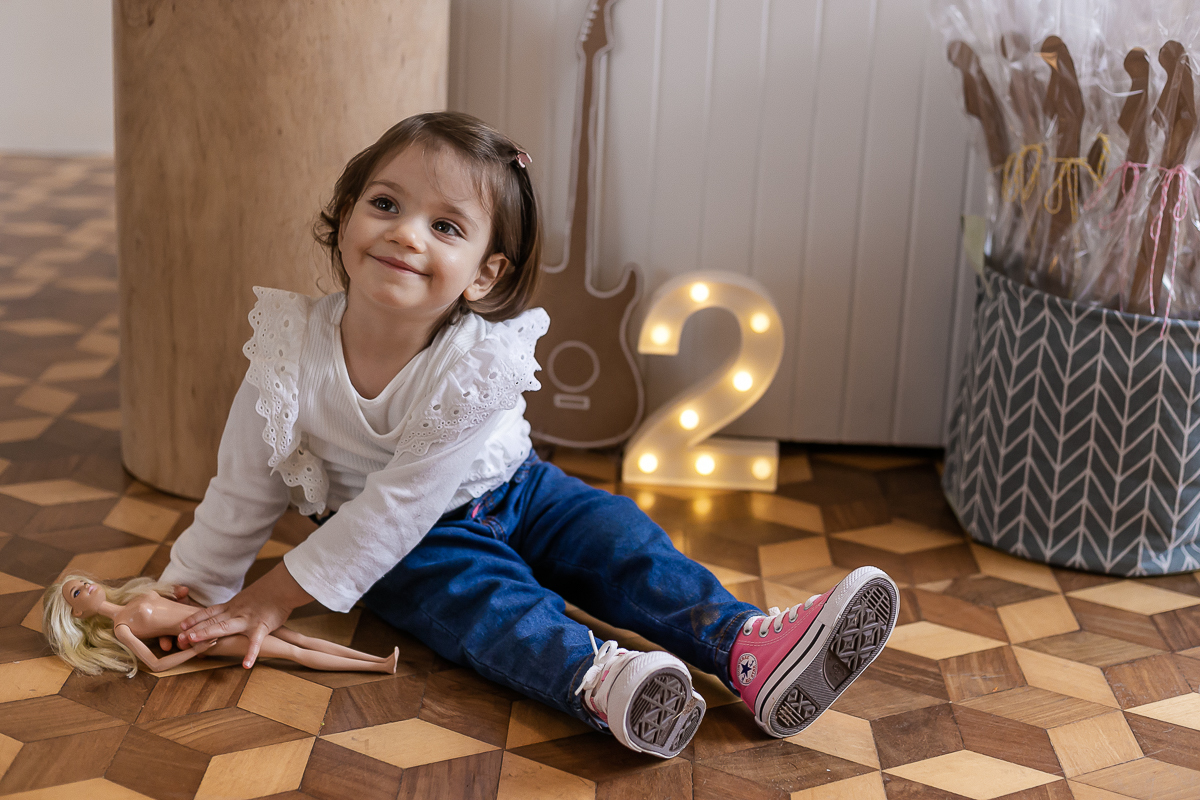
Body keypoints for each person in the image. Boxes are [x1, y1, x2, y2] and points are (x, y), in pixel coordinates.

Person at [160, 111, 900, 758]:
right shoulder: (289, 350)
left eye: (444, 226)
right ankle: (602, 681)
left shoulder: (476, 360)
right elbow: (246, 486)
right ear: (347, 215)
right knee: (490, 608)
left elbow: (410, 492)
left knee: (621, 541)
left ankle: (748, 647)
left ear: (484, 275)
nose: (404, 232)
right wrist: (192, 593)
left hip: (521, 489)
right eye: (384, 204)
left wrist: (276, 594)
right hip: (411, 544)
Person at [43, 575, 398, 676]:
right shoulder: (122, 627)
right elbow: (155, 665)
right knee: (290, 652)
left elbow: (178, 602)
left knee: (300, 637)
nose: (87, 586)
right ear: (77, 614)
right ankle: (378, 667)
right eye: (77, 591)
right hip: (213, 639)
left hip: (220, 615)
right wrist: (196, 649)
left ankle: (376, 659)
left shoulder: (135, 596)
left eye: (83, 581)